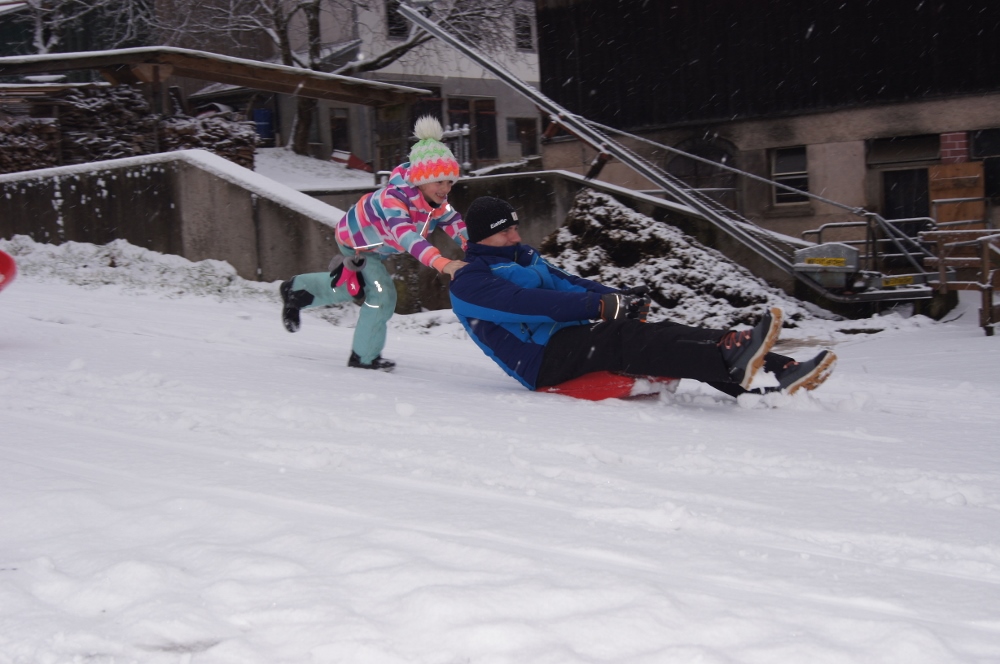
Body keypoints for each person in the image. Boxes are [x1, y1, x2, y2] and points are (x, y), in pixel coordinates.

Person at [448, 196, 837, 398]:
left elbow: (570, 284)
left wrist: (618, 298)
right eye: (504, 232)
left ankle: (778, 369)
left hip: (569, 339)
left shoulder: (525, 257)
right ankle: (737, 364)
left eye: (515, 228)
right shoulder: (469, 282)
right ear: (480, 238)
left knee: (656, 331)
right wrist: (597, 308)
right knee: (626, 339)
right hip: (539, 362)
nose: (515, 236)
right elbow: (524, 304)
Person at [280, 116, 468, 371]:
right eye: (439, 181)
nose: (445, 188)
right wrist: (443, 264)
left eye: (449, 182)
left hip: (376, 247)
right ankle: (363, 358)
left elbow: (454, 221)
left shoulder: (433, 200)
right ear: (421, 180)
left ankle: (297, 290)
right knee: (382, 295)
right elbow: (407, 237)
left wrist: (473, 245)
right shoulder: (395, 200)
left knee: (353, 288)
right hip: (356, 242)